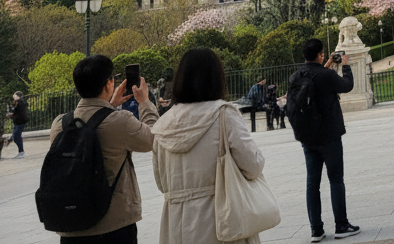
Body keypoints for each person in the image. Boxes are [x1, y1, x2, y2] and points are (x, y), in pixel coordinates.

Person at [152, 47, 267, 244]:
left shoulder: (163, 125)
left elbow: (162, 183)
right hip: (222, 222)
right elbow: (253, 165)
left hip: (177, 226)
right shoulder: (223, 115)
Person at [48, 54, 157, 244]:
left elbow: (89, 121)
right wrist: (145, 103)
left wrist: (108, 105)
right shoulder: (119, 121)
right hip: (113, 226)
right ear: (109, 84)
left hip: (71, 226)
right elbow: (154, 139)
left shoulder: (60, 124)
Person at [288, 39, 359, 242]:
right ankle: (341, 225)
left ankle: (316, 229)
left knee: (312, 183)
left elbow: (313, 77)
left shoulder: (296, 76)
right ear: (320, 54)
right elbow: (347, 86)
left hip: (307, 137)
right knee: (336, 179)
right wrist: (345, 65)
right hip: (329, 134)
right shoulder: (326, 75)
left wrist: (327, 63)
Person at [11, 90, 28, 158]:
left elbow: (15, 110)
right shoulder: (21, 102)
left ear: (18, 96)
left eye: (15, 96)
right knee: (16, 136)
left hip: (20, 121)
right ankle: (21, 152)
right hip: (19, 121)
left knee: (16, 136)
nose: (13, 97)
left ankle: (21, 152)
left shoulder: (20, 103)